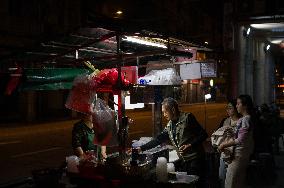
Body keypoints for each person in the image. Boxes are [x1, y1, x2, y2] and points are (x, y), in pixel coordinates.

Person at [137, 97, 208, 185]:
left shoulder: (188, 118)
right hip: (184, 161)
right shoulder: (170, 125)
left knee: (197, 184)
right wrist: (141, 148)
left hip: (196, 160)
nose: (164, 115)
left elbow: (203, 135)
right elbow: (158, 139)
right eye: (163, 112)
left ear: (173, 109)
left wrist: (190, 145)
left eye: (165, 112)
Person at [218, 95, 254, 188]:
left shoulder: (245, 119)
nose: (237, 106)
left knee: (230, 183)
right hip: (238, 155)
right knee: (237, 183)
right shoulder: (243, 119)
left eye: (238, 104)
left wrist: (224, 144)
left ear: (245, 106)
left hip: (237, 156)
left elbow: (240, 139)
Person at [216, 99, 241, 188]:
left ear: (236, 108)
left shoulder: (242, 122)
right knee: (222, 178)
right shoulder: (225, 121)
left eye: (230, 108)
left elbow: (242, 140)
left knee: (232, 181)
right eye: (227, 108)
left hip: (235, 155)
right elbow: (218, 134)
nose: (228, 110)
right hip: (224, 153)